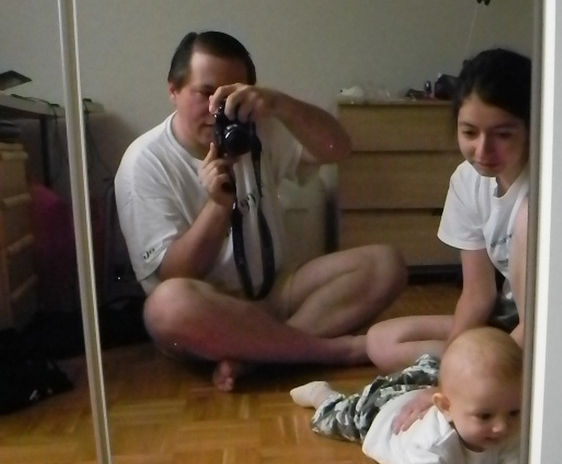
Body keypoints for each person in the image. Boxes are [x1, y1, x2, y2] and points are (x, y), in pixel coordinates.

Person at [114, 30, 407, 391]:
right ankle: (330, 351)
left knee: (385, 263)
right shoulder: (144, 162)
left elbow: (338, 149)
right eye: (205, 93)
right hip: (211, 312)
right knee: (166, 307)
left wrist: (281, 104)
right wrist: (218, 206)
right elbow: (175, 274)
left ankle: (260, 355)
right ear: (173, 90)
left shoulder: (257, 128)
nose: (217, 110)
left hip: (274, 291)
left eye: (229, 95)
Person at [366, 45, 531, 375]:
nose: (482, 150)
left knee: (482, 372)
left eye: (502, 134)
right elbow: (478, 293)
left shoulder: (541, 195)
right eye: (469, 132)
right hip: (504, 318)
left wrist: (475, 372)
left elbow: (538, 319)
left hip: (540, 324)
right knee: (381, 341)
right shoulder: (467, 180)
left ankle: (497, 374)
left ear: (531, 127)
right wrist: (457, 359)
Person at [290, 326, 522, 464]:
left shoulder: (507, 428)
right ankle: (320, 394)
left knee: (444, 376)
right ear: (446, 408)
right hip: (381, 414)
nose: (502, 426)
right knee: (337, 417)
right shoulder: (432, 443)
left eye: (514, 412)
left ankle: (422, 372)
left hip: (423, 392)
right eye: (484, 416)